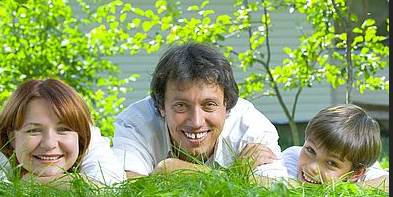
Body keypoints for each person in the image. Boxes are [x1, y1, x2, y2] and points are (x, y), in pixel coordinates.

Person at [113, 42, 288, 179]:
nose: (196, 122)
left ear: (227, 106)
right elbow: (128, 187)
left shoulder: (251, 127)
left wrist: (172, 171)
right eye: (181, 106)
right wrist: (236, 177)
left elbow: (272, 189)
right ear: (160, 106)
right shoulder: (136, 123)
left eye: (209, 105)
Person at [0, 78, 125, 187]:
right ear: (11, 137)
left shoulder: (90, 139)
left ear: (81, 136)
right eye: (34, 130)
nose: (49, 144)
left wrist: (31, 182)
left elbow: (109, 186)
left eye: (63, 129)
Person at [282, 104, 389, 191]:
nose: (313, 167)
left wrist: (347, 189)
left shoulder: (364, 170)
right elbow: (279, 184)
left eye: (331, 163)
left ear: (355, 174)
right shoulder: (293, 156)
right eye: (311, 150)